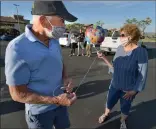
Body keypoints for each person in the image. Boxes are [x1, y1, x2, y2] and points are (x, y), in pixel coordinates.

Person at [5, 1, 77, 129]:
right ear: (43, 20)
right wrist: (55, 100)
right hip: (40, 112)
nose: (64, 26)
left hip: (61, 106)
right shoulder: (17, 48)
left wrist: (65, 77)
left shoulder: (54, 41)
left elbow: (59, 61)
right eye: (61, 20)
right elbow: (17, 94)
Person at [97, 24, 148, 129]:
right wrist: (104, 58)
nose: (120, 37)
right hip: (115, 85)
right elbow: (115, 67)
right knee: (109, 102)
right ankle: (106, 114)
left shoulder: (141, 52)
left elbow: (142, 74)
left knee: (125, 107)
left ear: (131, 36)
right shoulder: (120, 48)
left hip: (128, 89)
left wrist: (134, 90)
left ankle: (122, 121)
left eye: (123, 35)